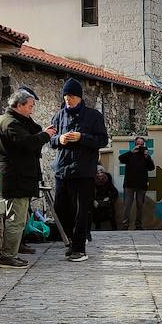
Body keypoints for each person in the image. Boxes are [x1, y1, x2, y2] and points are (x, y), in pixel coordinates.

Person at [48, 77, 108, 262]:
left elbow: (103, 140)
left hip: (84, 171)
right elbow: (50, 139)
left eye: (72, 96)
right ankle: (71, 240)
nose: (68, 99)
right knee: (61, 209)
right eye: (66, 96)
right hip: (62, 171)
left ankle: (78, 248)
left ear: (80, 97)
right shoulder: (58, 116)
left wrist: (82, 137)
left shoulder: (94, 116)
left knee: (82, 211)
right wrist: (60, 140)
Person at [0, 86, 51, 269]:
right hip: (15, 179)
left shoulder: (16, 120)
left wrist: (39, 129)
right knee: (15, 220)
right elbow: (27, 143)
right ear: (19, 105)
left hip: (20, 179)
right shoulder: (9, 123)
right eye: (29, 106)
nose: (31, 110)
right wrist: (45, 136)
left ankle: (12, 254)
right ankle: (7, 256)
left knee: (19, 219)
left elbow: (34, 131)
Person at [118, 135, 154, 230]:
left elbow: (151, 168)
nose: (140, 146)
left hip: (141, 185)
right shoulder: (130, 155)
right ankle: (125, 225)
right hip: (129, 185)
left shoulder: (146, 157)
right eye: (138, 144)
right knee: (127, 206)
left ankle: (138, 225)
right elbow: (120, 158)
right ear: (135, 144)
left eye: (142, 144)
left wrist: (147, 157)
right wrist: (131, 152)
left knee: (140, 206)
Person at [92, 165, 119, 231]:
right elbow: (89, 193)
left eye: (101, 172)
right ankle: (97, 228)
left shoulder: (107, 180)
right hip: (97, 199)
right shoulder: (93, 181)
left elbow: (115, 192)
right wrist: (93, 200)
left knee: (110, 211)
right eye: (98, 173)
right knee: (96, 210)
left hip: (106, 199)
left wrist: (109, 198)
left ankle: (114, 229)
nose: (100, 174)